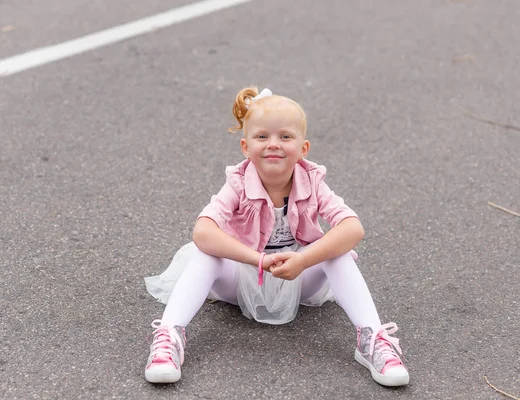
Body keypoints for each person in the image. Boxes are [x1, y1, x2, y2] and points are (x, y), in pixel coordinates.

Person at [143, 87, 409, 387]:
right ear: (245, 146)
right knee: (206, 254)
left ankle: (372, 340)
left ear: (303, 148)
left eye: (285, 136)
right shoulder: (239, 182)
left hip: (297, 277)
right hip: (244, 277)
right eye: (262, 137)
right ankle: (169, 337)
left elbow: (352, 228)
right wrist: (258, 259)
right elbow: (203, 232)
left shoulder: (312, 181)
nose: (273, 145)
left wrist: (303, 259)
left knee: (340, 254)